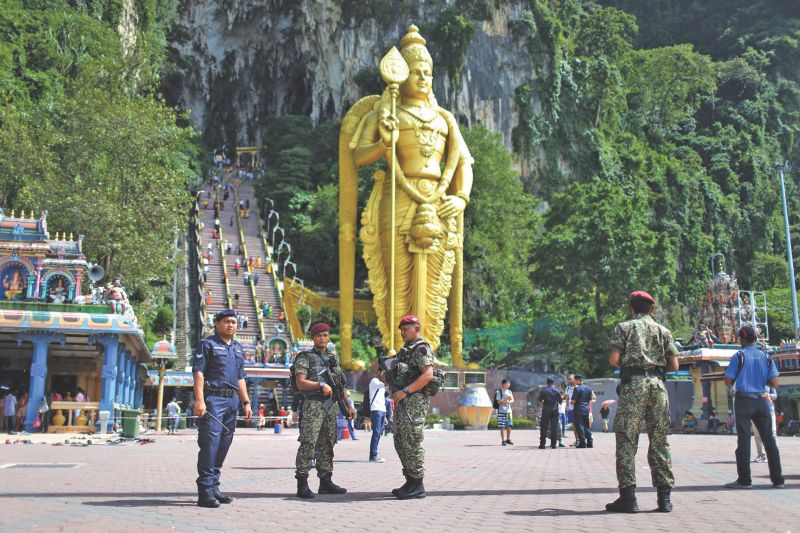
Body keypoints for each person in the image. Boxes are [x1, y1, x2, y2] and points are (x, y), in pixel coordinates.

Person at [341, 25, 475, 369]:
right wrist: (385, 142)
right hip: (396, 199)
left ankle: (430, 351)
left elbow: (463, 163)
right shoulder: (386, 115)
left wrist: (460, 197)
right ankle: (393, 350)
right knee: (395, 279)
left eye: (428, 72)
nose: (423, 77)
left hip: (440, 201)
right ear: (401, 75)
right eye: (416, 71)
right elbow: (357, 156)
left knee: (435, 283)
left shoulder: (446, 119)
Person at [606, 290, 680, 514]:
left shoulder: (624, 327)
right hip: (658, 386)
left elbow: (614, 360)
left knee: (627, 439)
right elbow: (674, 365)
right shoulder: (663, 331)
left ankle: (628, 498)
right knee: (660, 441)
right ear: (652, 309)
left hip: (633, 386)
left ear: (631, 309)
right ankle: (664, 499)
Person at [192, 309, 252, 508]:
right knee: (210, 443)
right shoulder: (207, 344)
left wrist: (246, 402)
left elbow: (241, 378)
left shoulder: (237, 348)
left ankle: (214, 487)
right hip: (214, 400)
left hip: (232, 401)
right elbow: (199, 373)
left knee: (224, 444)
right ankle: (205, 491)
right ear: (217, 324)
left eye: (234, 322)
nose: (231, 325)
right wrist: (200, 400)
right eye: (227, 321)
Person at [293, 322, 355, 499]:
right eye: (319, 335)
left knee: (328, 442)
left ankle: (325, 481)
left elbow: (340, 386)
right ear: (313, 338)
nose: (322, 338)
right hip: (313, 404)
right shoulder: (305, 357)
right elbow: (300, 382)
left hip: (331, 406)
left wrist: (349, 407)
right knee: (308, 443)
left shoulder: (332, 358)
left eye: (325, 335)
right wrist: (320, 385)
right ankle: (302, 482)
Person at [723, 326, 783, 489]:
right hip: (762, 400)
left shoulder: (739, 356)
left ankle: (745, 480)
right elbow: (775, 382)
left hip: (743, 401)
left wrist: (735, 387)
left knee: (744, 440)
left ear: (741, 340)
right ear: (755, 339)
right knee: (769, 441)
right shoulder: (766, 356)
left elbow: (728, 380)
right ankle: (778, 480)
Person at [389, 315, 435, 500]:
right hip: (403, 400)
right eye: (401, 329)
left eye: (406, 329)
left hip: (414, 401)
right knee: (400, 440)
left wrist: (406, 391)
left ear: (417, 328)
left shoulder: (421, 349)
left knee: (412, 440)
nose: (402, 332)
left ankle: (417, 484)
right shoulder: (405, 351)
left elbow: (427, 375)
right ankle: (410, 480)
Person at [368, 369, 387, 462]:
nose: (384, 374)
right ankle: (373, 456)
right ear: (379, 372)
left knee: (379, 433)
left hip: (382, 410)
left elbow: (382, 400)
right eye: (383, 372)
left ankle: (374, 454)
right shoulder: (374, 381)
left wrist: (386, 416)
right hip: (376, 410)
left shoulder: (382, 385)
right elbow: (384, 384)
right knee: (376, 432)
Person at [538, 377, 561, 449]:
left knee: (544, 426)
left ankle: (542, 444)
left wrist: (544, 401)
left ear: (547, 383)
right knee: (554, 427)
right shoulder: (557, 391)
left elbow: (540, 399)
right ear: (553, 383)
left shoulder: (544, 390)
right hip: (555, 409)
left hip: (546, 409)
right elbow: (560, 401)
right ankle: (553, 445)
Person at [571, 376, 593, 448]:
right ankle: (590, 442)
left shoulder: (577, 389)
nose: (574, 381)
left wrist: (571, 402)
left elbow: (573, 401)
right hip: (586, 409)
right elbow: (590, 400)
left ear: (578, 380)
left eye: (575, 380)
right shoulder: (589, 389)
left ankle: (582, 443)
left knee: (579, 426)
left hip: (578, 409)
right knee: (586, 426)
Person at [495, 379, 514, 446]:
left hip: (508, 411)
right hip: (502, 411)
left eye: (509, 383)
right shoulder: (499, 392)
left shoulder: (509, 391)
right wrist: (503, 401)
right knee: (502, 426)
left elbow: (512, 400)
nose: (509, 385)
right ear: (503, 384)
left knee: (509, 426)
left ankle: (508, 439)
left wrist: (509, 401)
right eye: (508, 383)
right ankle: (503, 440)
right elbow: (498, 401)